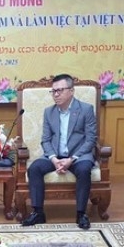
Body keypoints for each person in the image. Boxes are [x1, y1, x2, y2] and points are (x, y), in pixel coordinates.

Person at [20, 74, 98, 230]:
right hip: (55, 155)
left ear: (71, 91)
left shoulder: (86, 109)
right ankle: (38, 212)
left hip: (79, 156)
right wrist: (54, 159)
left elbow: (90, 139)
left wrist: (72, 159)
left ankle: (81, 213)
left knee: (84, 170)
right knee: (34, 168)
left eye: (60, 90)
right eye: (53, 91)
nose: (56, 94)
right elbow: (45, 140)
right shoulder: (49, 112)